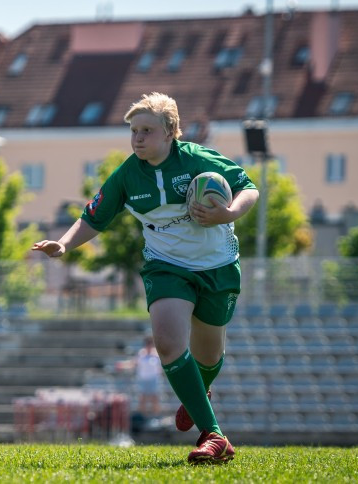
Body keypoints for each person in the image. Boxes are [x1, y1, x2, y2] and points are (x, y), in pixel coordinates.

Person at [32, 92, 259, 464]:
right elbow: (93, 217)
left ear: (171, 132)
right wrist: (64, 244)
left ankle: (198, 394)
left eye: (147, 131)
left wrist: (228, 213)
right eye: (134, 131)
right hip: (166, 267)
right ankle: (215, 435)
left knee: (210, 356)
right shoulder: (127, 174)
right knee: (168, 344)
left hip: (217, 266)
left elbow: (249, 188)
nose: (137, 138)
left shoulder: (199, 159)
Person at [134, 335, 164, 419]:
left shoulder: (156, 354)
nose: (148, 345)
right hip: (143, 379)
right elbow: (134, 363)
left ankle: (156, 417)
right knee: (142, 399)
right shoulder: (141, 353)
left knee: (154, 398)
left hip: (154, 379)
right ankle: (143, 418)